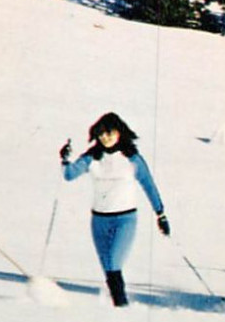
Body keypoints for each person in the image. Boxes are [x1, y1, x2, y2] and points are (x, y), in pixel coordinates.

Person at [60, 112, 170, 308]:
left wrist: (160, 214)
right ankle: (117, 307)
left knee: (113, 262)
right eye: (101, 134)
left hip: (125, 220)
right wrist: (65, 159)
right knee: (108, 267)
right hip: (99, 221)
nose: (105, 137)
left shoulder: (132, 159)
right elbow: (69, 175)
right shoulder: (92, 158)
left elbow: (149, 185)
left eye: (109, 133)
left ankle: (122, 306)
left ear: (119, 132)